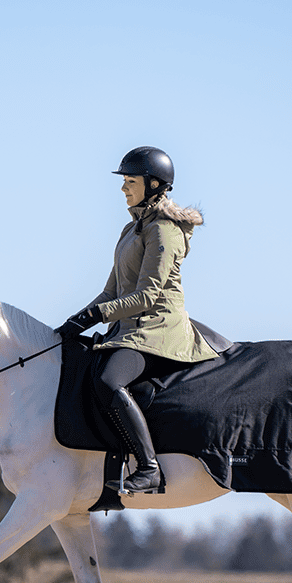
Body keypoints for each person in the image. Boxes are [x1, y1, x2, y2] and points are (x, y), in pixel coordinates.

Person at [56, 146, 219, 495]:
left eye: (131, 181)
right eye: (124, 181)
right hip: (128, 329)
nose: (123, 188)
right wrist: (73, 323)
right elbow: (110, 292)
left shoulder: (164, 231)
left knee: (107, 380)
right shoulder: (130, 230)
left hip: (158, 329)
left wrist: (96, 316)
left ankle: (149, 467)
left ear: (154, 184)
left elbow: (147, 296)